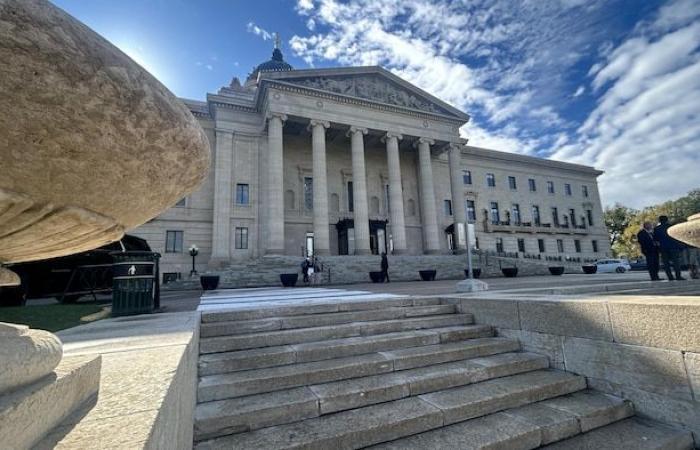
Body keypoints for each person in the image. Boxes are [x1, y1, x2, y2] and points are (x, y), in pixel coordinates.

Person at [654, 215, 685, 281]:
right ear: (667, 220)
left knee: (666, 264)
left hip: (663, 248)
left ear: (659, 220)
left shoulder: (656, 229)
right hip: (673, 247)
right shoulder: (672, 227)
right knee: (676, 262)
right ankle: (678, 276)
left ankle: (670, 277)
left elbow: (656, 239)